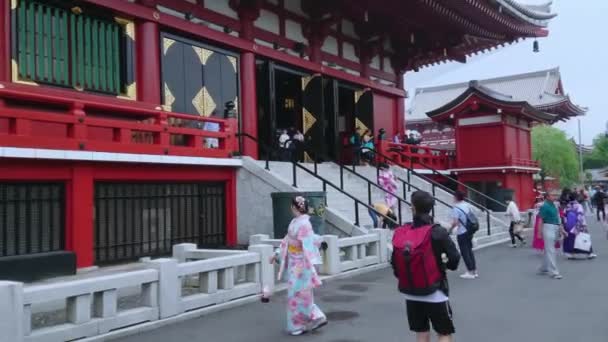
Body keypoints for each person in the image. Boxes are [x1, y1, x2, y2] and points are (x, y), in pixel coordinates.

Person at [391, 190, 460, 342]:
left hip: (410, 290)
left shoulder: (402, 232)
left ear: (413, 208)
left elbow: (394, 263)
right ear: (431, 208)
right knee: (444, 332)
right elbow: (455, 258)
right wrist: (445, 266)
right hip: (434, 291)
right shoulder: (437, 231)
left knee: (421, 332)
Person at [272, 196, 327, 336]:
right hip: (295, 262)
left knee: (297, 295)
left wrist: (311, 266)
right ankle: (314, 317)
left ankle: (299, 324)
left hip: (301, 264)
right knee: (299, 294)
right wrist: (277, 252)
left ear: (294, 207)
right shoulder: (296, 222)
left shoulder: (304, 224)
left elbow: (307, 245)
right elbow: (288, 240)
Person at [538, 192, 568, 280]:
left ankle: (543, 267)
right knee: (551, 250)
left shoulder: (555, 205)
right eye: (552, 195)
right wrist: (539, 233)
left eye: (555, 195)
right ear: (547, 197)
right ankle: (554, 272)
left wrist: (562, 230)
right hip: (548, 227)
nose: (555, 196)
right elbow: (541, 220)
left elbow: (558, 219)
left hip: (555, 227)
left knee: (548, 249)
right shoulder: (544, 206)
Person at [450, 191, 477, 279]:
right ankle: (474, 270)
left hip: (462, 232)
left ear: (456, 198)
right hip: (470, 230)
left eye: (453, 197)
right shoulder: (467, 205)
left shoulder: (456, 208)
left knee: (465, 252)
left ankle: (470, 272)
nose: (453, 198)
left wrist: (450, 229)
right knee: (469, 250)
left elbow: (455, 222)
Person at [562, 193, 597, 260]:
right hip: (577, 224)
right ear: (576, 198)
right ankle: (589, 253)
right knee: (584, 237)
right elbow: (580, 215)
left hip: (569, 225)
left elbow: (564, 216)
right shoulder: (578, 206)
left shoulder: (567, 206)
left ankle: (571, 254)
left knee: (570, 239)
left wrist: (565, 224)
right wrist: (583, 225)